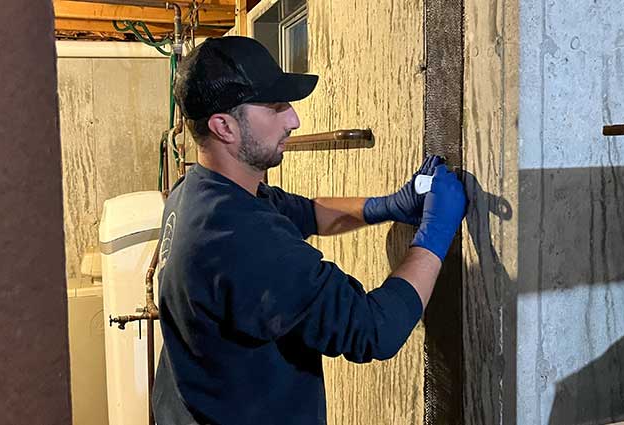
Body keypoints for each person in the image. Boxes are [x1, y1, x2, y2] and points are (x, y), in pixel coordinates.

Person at [152, 36, 467, 425]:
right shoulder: (239, 240)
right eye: (276, 107)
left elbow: (305, 212)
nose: (294, 120)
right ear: (224, 126)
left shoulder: (197, 193)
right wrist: (434, 235)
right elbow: (374, 329)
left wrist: (385, 206)